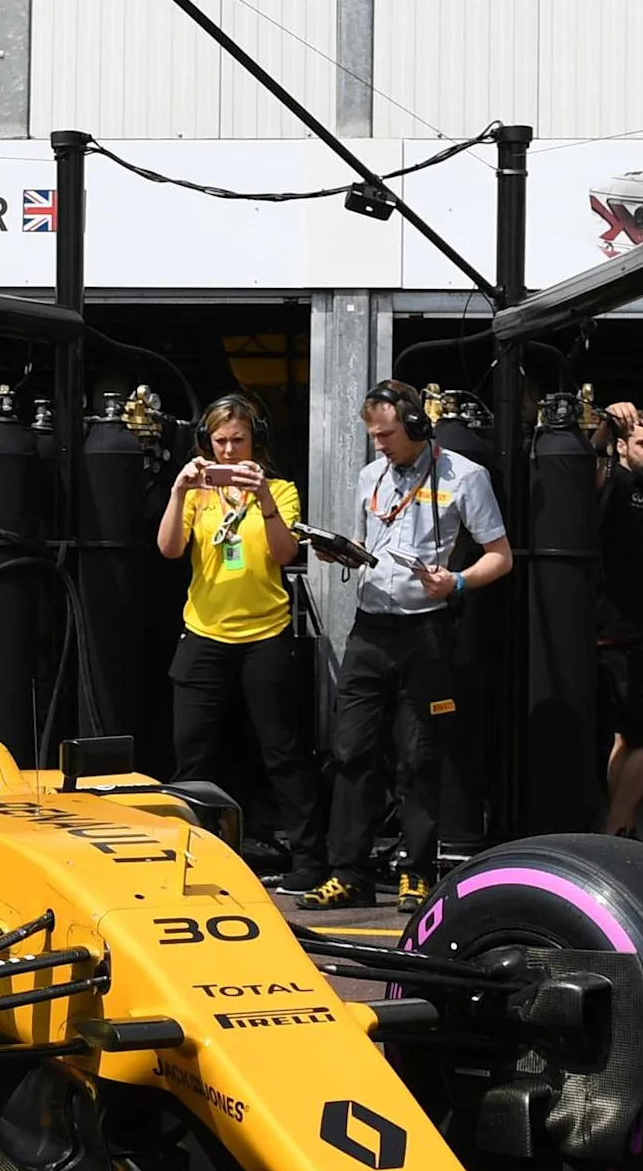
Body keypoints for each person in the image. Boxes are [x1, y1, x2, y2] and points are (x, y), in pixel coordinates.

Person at [303, 380, 510, 913]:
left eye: (388, 434)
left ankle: (415, 871)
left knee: (419, 755)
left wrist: (459, 582)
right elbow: (367, 545)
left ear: (417, 426)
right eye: (373, 435)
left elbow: (500, 556)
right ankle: (347, 871)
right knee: (350, 750)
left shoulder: (466, 476)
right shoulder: (370, 476)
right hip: (370, 628)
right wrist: (339, 554)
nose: (379, 446)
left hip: (427, 631)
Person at [156, 396, 316, 885]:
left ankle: (309, 860)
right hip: (204, 631)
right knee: (193, 750)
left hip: (264, 633)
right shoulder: (200, 494)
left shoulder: (281, 489)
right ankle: (190, 856)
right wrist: (179, 492)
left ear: (256, 441)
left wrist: (264, 499)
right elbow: (169, 549)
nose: (228, 451)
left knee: (282, 751)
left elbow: (285, 554)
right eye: (220, 441)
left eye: (238, 440)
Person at [594, 403, 643, 837]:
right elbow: (587, 476)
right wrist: (605, 428)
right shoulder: (615, 481)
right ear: (624, 446)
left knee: (626, 737)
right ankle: (617, 830)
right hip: (625, 634)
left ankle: (623, 829)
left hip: (639, 628)